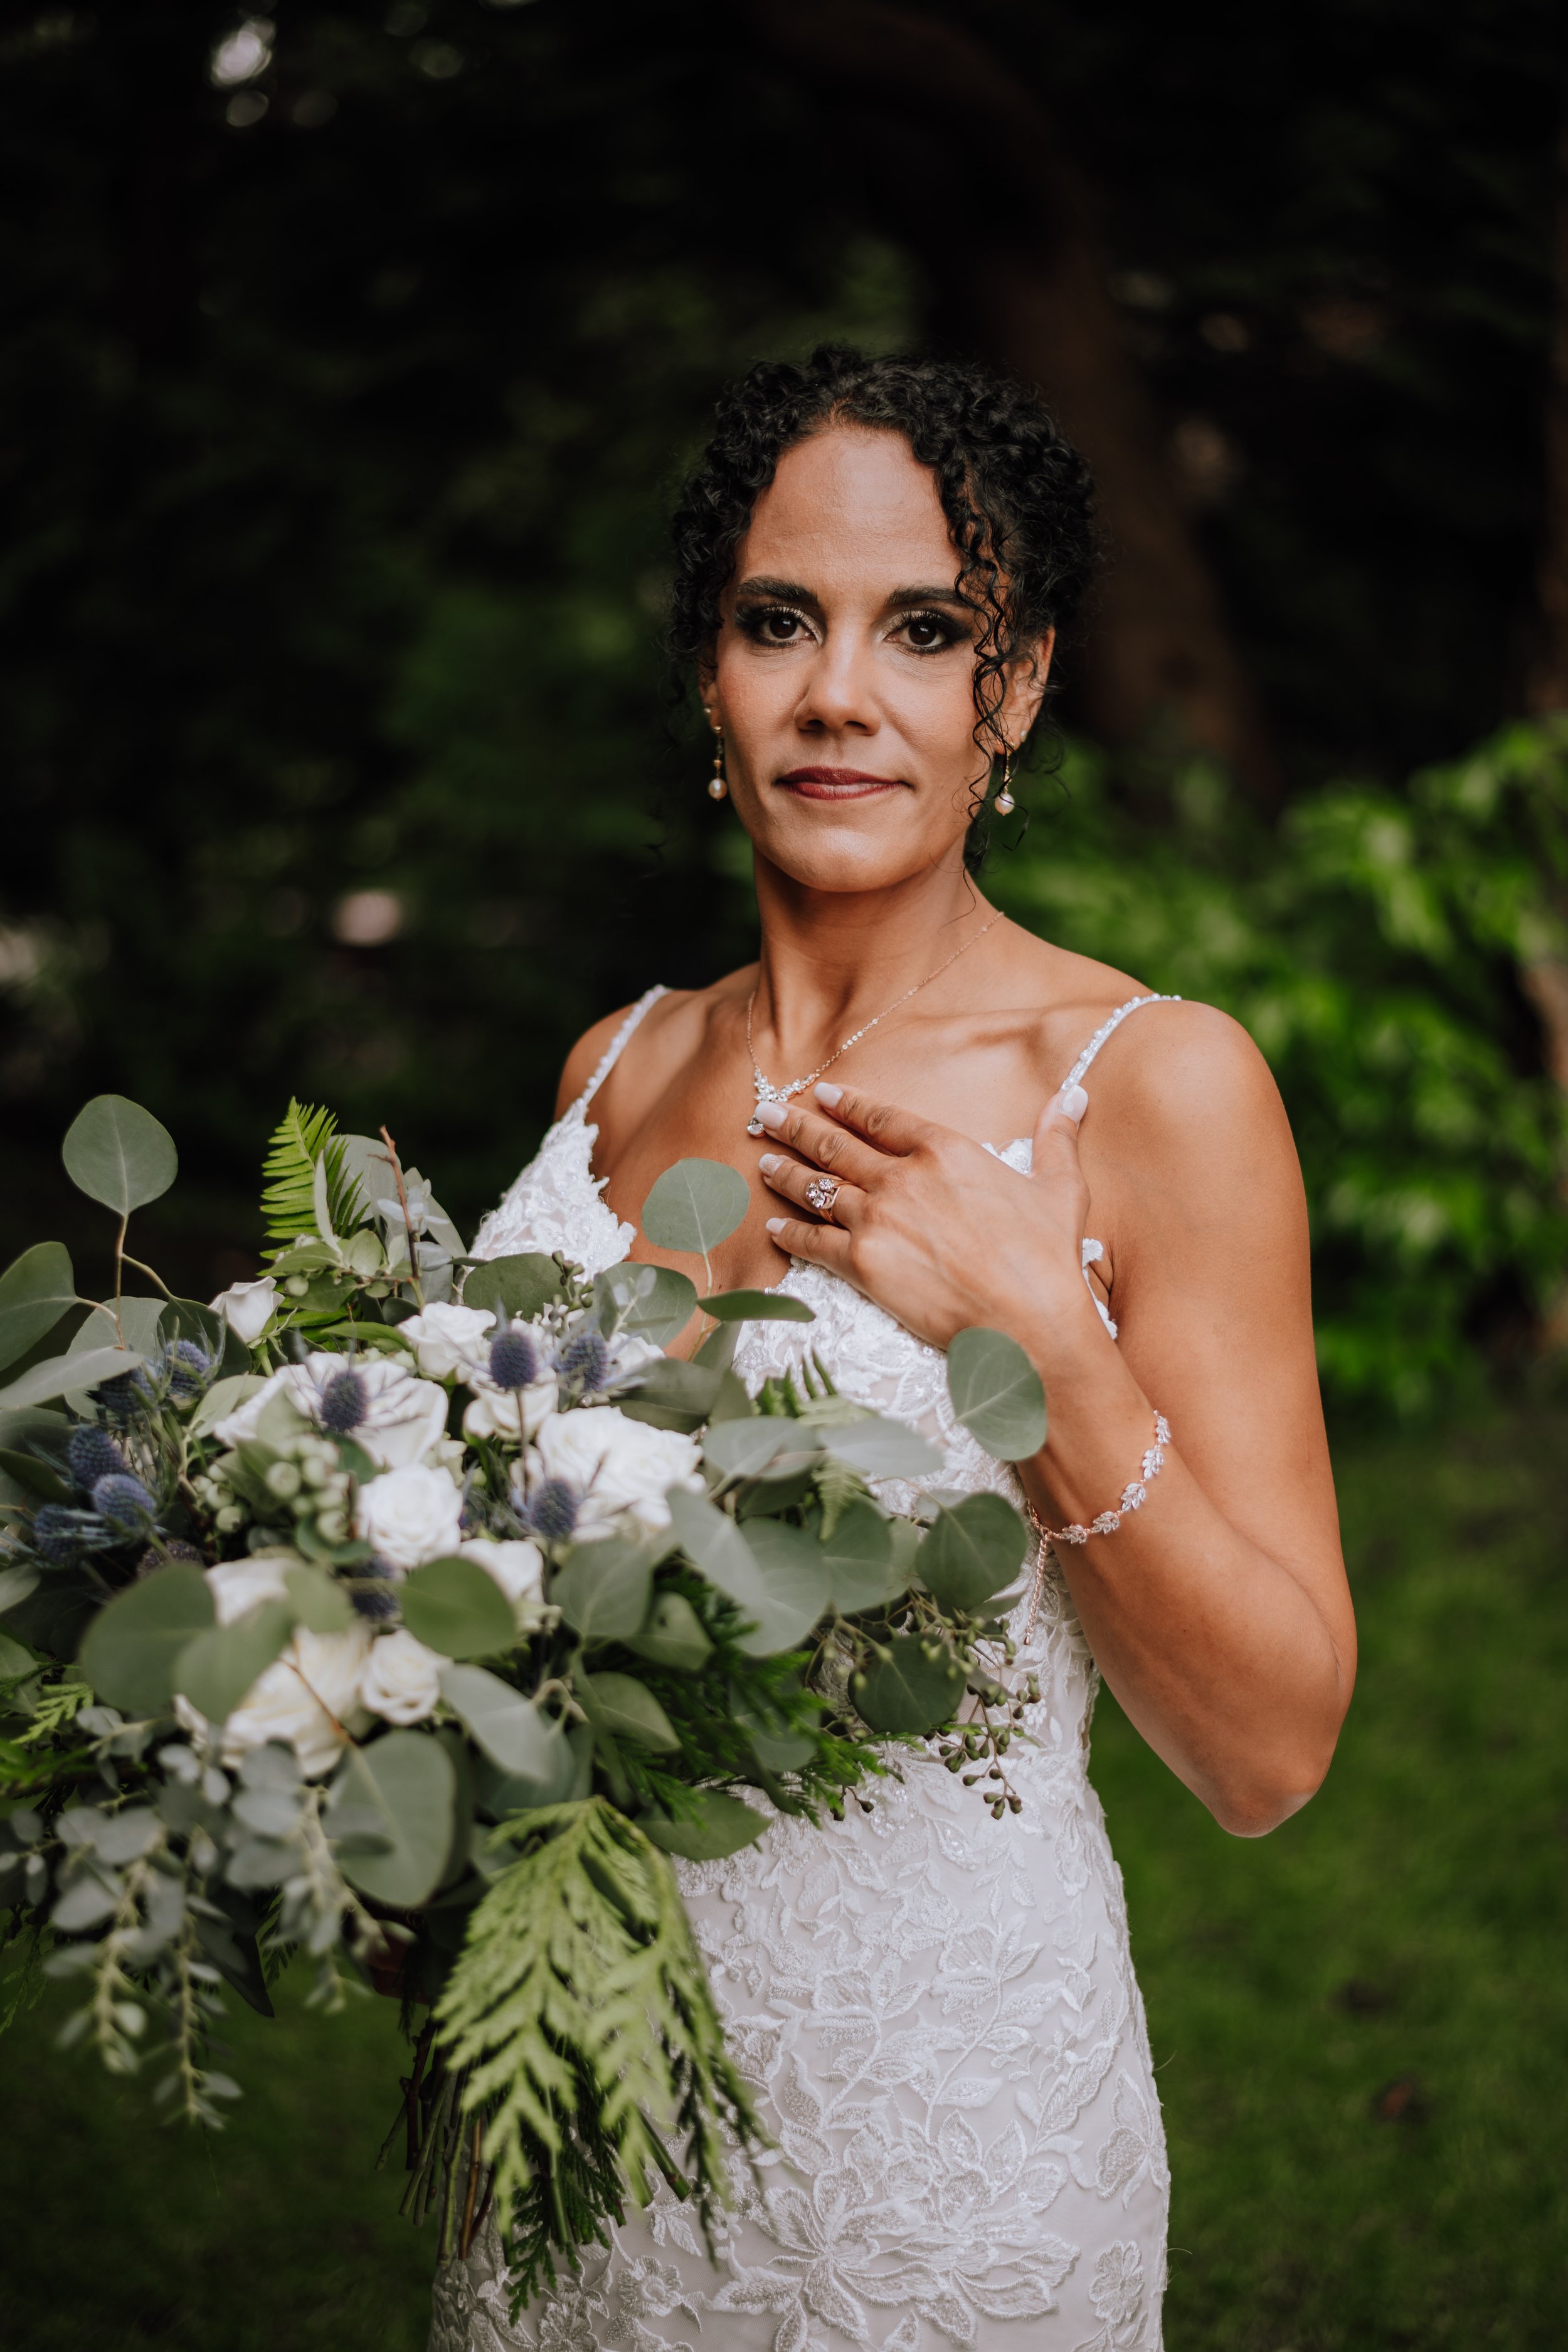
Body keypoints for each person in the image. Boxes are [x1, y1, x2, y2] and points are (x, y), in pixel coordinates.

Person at [429, 346, 1354, 2352]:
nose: (840, 693)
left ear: (1007, 692)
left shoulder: (1149, 1084)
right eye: (780, 622)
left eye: (923, 629)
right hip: (568, 2100)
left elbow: (1273, 1750)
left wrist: (1038, 1341)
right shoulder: (615, 1066)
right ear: (708, 673)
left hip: (942, 2139)